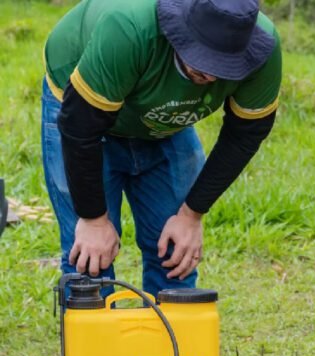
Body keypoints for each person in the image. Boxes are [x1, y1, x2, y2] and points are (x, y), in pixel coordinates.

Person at [42, 0, 281, 296]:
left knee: (175, 255)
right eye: (204, 62)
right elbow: (81, 128)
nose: (212, 77)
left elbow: (245, 135)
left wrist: (191, 215)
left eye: (225, 67)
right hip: (82, 110)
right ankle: (95, 340)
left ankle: (168, 342)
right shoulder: (129, 29)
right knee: (91, 263)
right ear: (179, 34)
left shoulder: (263, 47)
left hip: (162, 116)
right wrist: (93, 219)